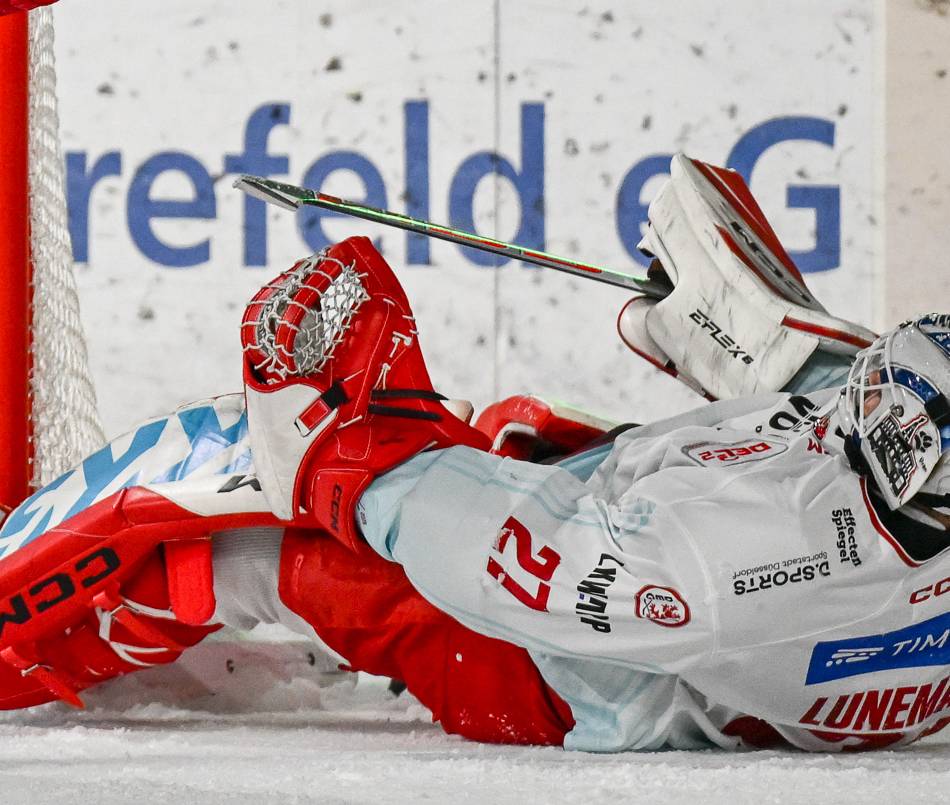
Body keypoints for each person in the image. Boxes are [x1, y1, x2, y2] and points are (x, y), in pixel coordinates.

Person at [1, 159, 948, 754]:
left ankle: (30, 655)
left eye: (881, 418)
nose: (856, 406)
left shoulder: (749, 560)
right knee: (515, 428)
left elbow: (560, 571)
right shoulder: (906, 507)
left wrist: (365, 467)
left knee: (270, 554)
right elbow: (852, 404)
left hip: (555, 668)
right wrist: (741, 332)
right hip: (672, 605)